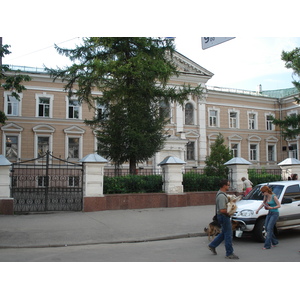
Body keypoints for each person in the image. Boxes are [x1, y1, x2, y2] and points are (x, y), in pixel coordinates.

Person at [208, 179, 239, 259]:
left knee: (224, 232)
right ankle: (229, 253)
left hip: (222, 216)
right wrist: (230, 212)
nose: (229, 186)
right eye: (228, 185)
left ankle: (212, 245)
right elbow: (222, 210)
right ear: (224, 186)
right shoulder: (221, 196)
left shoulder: (222, 194)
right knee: (228, 234)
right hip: (223, 216)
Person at [256, 185, 281, 249]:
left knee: (269, 228)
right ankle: (274, 241)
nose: (262, 193)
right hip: (269, 213)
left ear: (267, 191)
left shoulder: (273, 196)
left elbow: (279, 205)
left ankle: (267, 245)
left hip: (275, 213)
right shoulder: (266, 196)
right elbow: (263, 203)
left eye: (263, 192)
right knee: (267, 227)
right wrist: (258, 209)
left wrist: (272, 207)